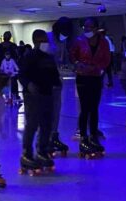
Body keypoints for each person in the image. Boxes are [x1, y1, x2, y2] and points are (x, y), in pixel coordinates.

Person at [18, 29, 61, 174]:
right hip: (33, 96)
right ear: (36, 41)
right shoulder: (29, 56)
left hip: (47, 94)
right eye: (43, 40)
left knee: (46, 124)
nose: (46, 43)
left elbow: (54, 75)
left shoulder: (49, 58)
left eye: (46, 40)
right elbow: (22, 75)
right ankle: (26, 154)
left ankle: (41, 151)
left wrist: (57, 83)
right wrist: (29, 85)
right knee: (32, 124)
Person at [70, 17, 110, 158]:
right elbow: (72, 56)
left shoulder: (103, 42)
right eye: (85, 27)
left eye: (90, 27)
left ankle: (93, 136)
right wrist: (77, 64)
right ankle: (83, 138)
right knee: (85, 108)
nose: (87, 29)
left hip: (95, 78)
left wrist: (98, 68)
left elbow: (106, 60)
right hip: (82, 77)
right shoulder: (79, 41)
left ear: (96, 28)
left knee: (94, 108)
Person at [47, 17, 73, 156]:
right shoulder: (47, 37)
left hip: (57, 80)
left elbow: (63, 59)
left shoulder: (63, 40)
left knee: (56, 109)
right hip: (45, 81)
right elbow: (41, 57)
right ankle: (45, 140)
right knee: (47, 110)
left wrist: (71, 66)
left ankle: (54, 136)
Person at [0, 31, 19, 99]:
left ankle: (8, 95)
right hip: (4, 68)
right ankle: (12, 95)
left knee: (6, 82)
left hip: (7, 68)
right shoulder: (13, 45)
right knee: (11, 82)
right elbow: (16, 56)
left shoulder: (0, 46)